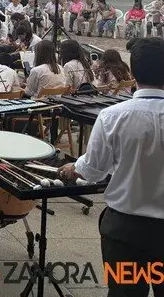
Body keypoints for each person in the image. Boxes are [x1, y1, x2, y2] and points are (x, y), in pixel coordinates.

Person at [58, 38, 164, 297]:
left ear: (134, 73)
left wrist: (72, 168)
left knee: (124, 294)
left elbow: (92, 170)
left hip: (125, 231)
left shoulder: (113, 116)